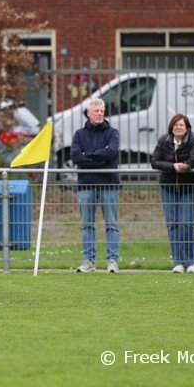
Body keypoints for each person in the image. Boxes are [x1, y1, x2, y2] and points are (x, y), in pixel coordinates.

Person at [70, 98, 120, 273]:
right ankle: (88, 261)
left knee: (111, 223)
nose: (99, 113)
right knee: (87, 224)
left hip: (109, 184)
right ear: (88, 113)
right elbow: (75, 156)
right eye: (96, 111)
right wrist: (100, 159)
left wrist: (89, 155)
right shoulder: (79, 134)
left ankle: (112, 260)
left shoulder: (112, 133)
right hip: (86, 185)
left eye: (101, 111)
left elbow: (111, 152)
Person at [151, 113, 194, 273]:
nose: (178, 127)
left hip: (190, 187)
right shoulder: (163, 140)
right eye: (175, 125)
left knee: (187, 222)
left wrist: (185, 166)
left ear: (187, 128)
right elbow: (154, 161)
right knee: (172, 224)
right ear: (171, 127)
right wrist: (173, 167)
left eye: (181, 125)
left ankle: (191, 262)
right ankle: (178, 262)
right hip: (168, 188)